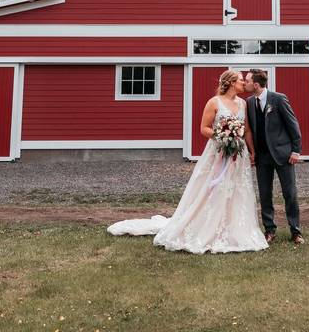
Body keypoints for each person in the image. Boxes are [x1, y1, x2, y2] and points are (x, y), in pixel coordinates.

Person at [107, 69, 268, 254]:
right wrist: (223, 135)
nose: (243, 84)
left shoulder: (243, 104)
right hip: (218, 152)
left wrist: (251, 150)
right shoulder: (214, 102)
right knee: (213, 188)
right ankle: (207, 228)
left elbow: (246, 130)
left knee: (237, 189)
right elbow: (204, 128)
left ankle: (235, 230)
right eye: (240, 80)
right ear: (231, 83)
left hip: (237, 155)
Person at [244, 68, 305, 245]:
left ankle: (296, 231)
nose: (244, 83)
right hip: (262, 156)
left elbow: (293, 125)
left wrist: (296, 150)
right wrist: (252, 152)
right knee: (264, 194)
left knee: (290, 193)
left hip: (283, 155)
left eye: (247, 81)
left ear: (256, 84)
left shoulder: (278, 99)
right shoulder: (248, 102)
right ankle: (269, 230)